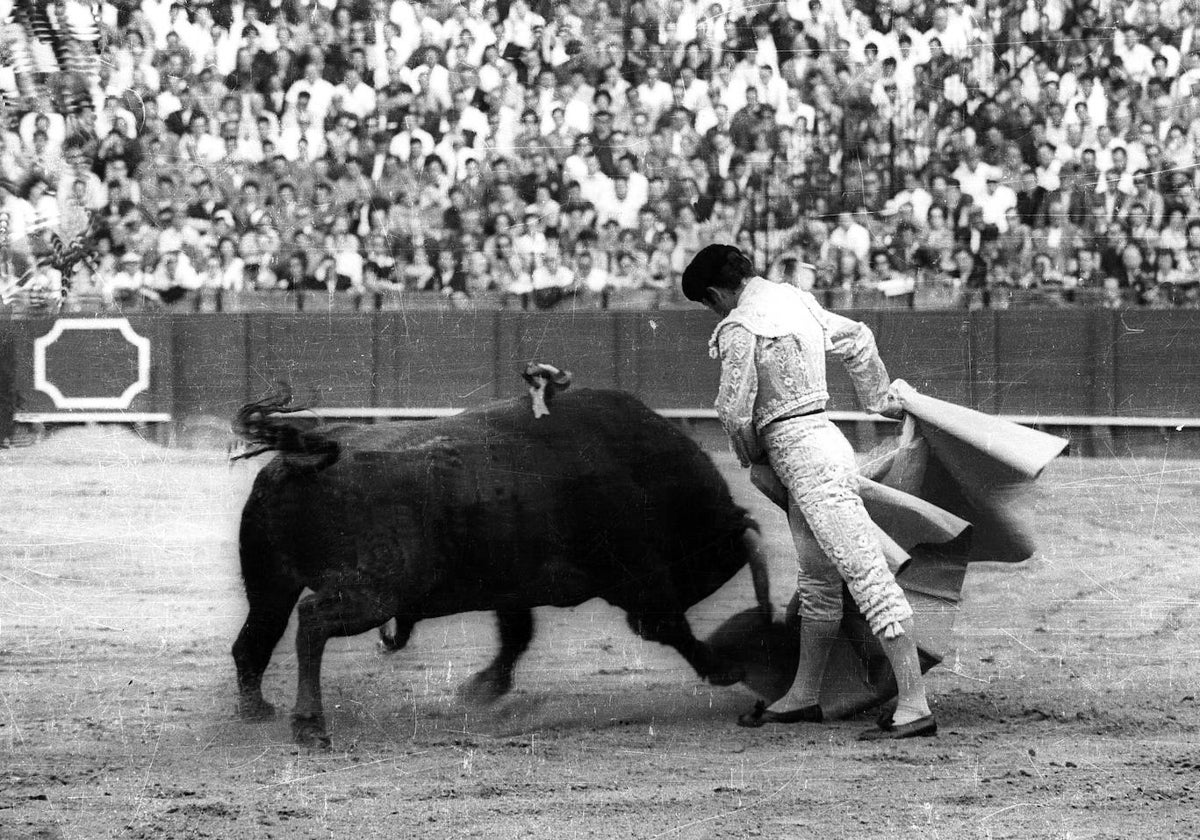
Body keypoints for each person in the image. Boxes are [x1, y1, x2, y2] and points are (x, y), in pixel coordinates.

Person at [681, 243, 935, 740]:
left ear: (715, 293)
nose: (713, 311)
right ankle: (804, 695)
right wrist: (879, 401)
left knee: (866, 575)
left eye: (708, 303)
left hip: (801, 458)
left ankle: (914, 703)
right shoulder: (798, 301)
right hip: (826, 441)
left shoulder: (739, 326)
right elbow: (859, 339)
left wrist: (753, 460)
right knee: (819, 579)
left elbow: (734, 411)